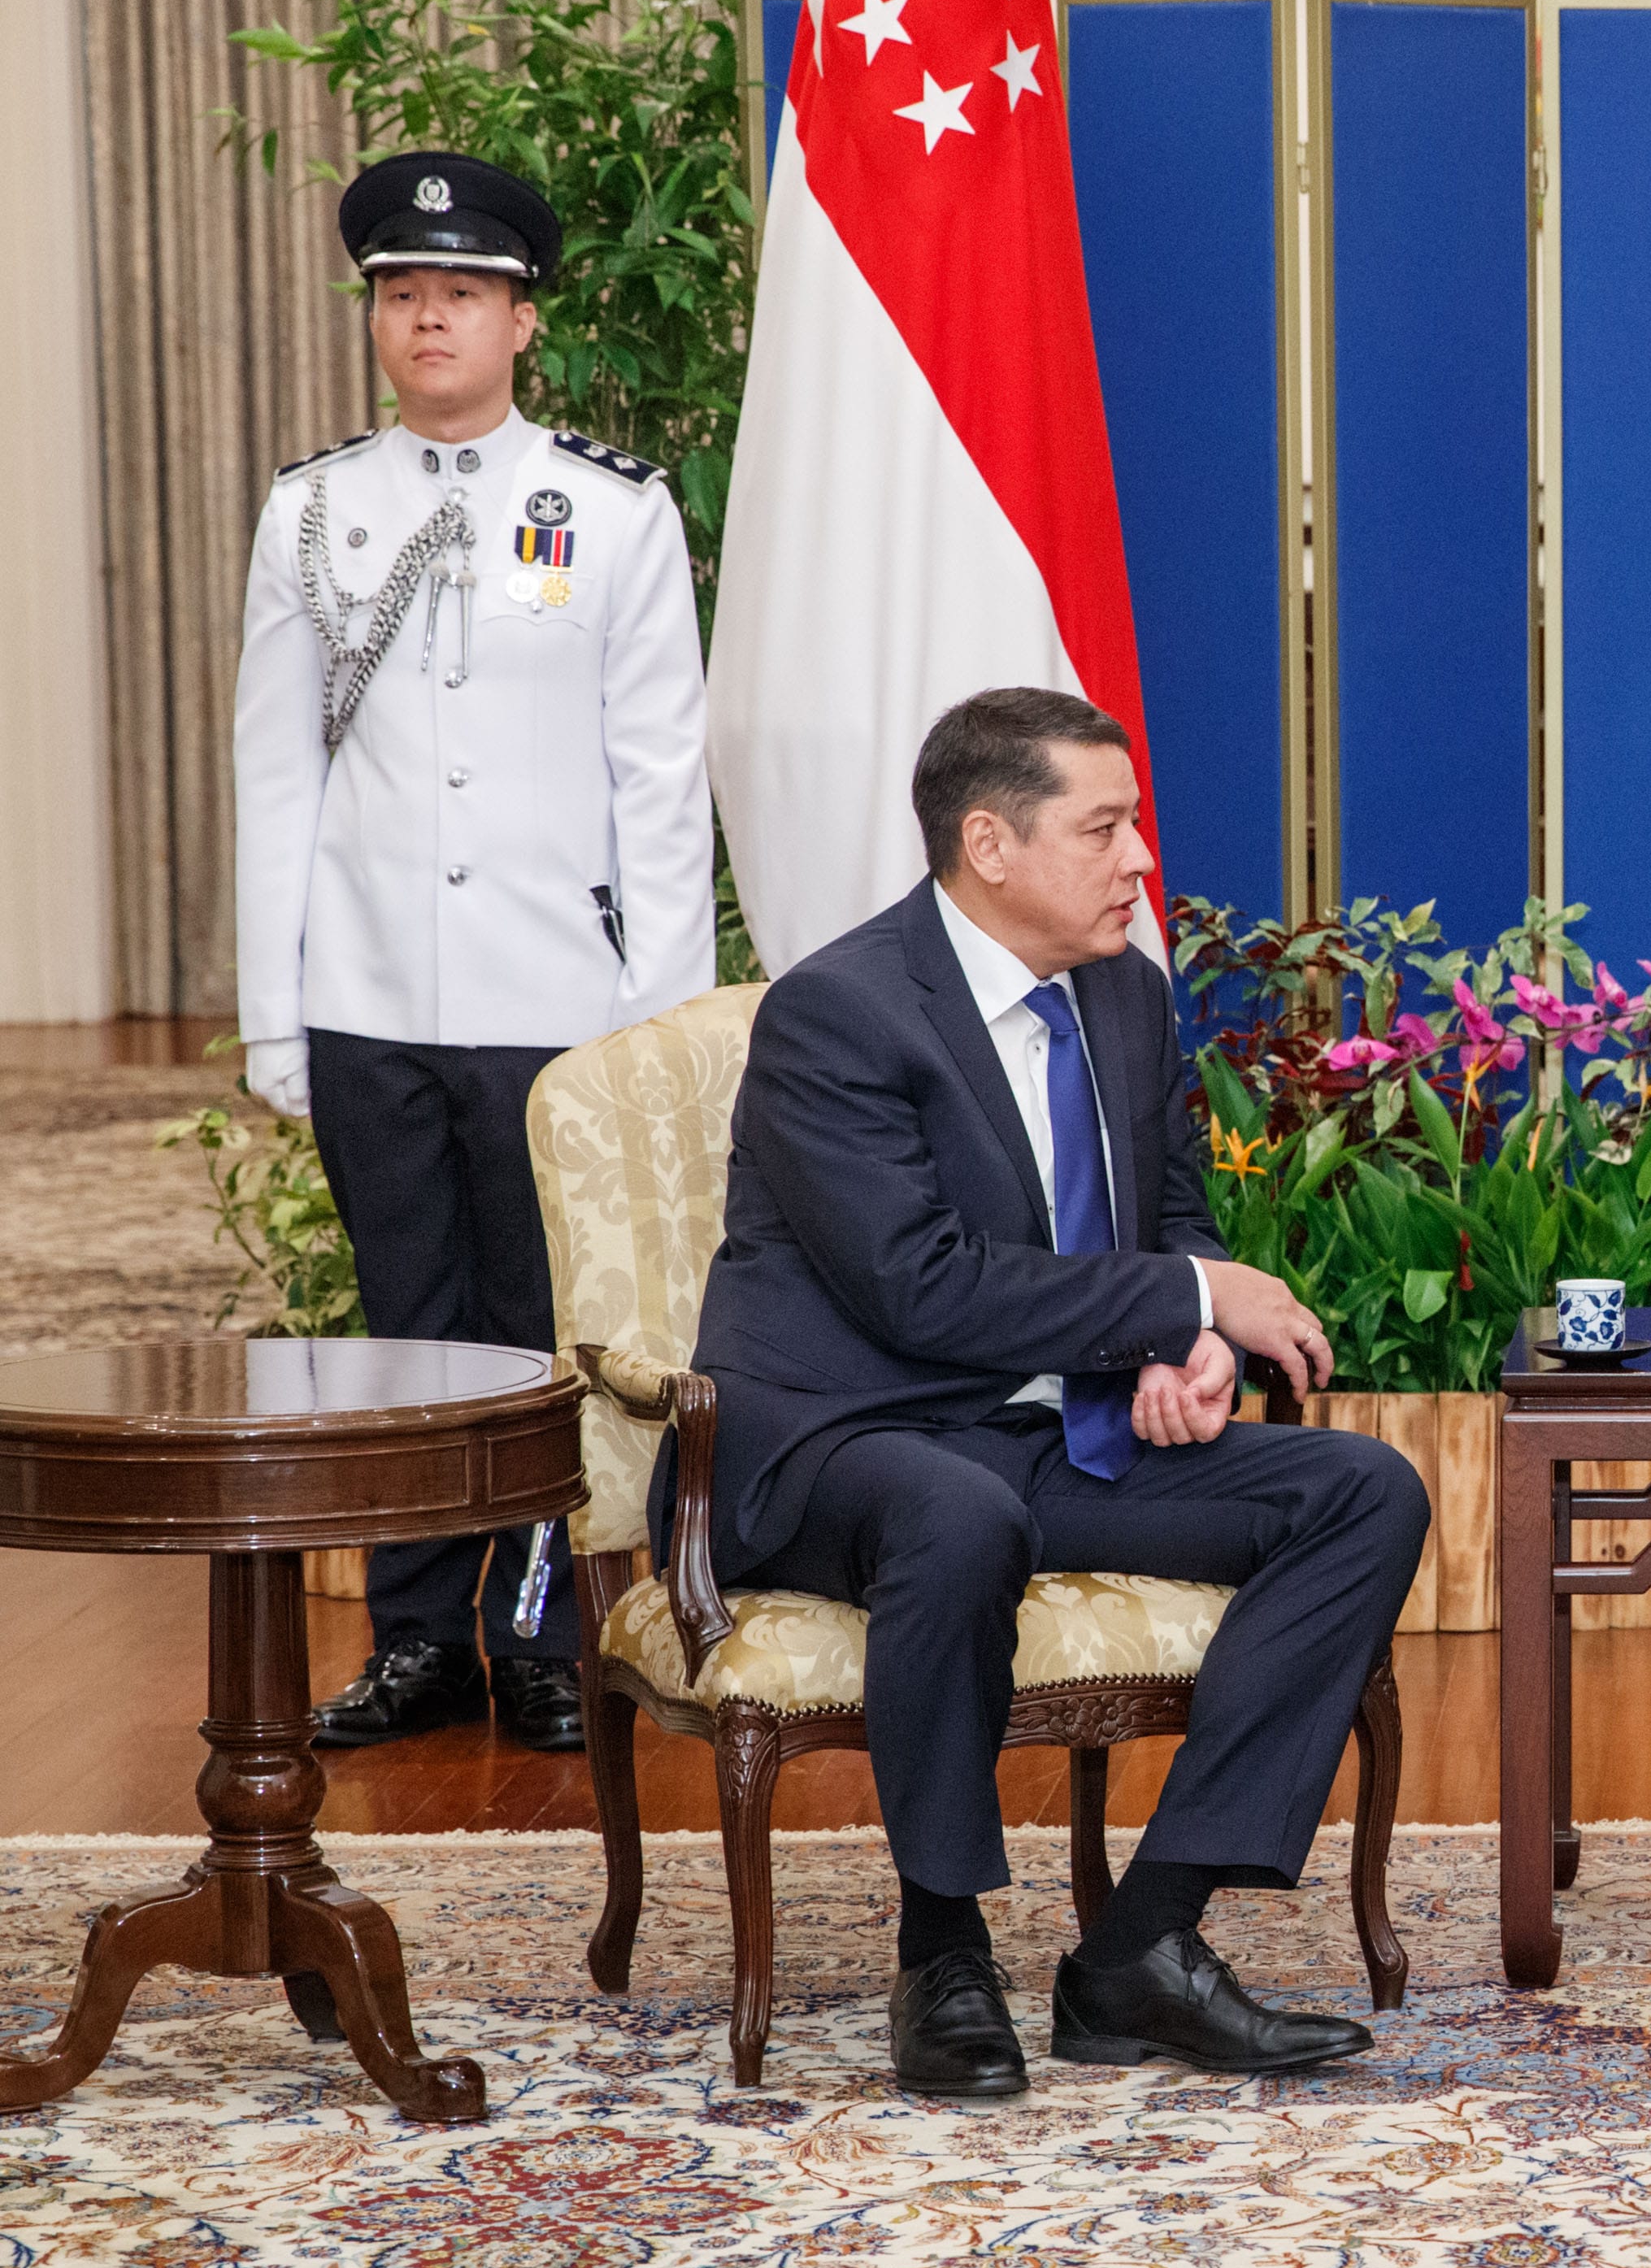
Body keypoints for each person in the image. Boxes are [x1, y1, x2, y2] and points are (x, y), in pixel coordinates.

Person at [667, 686, 1427, 2100]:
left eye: (1135, 826)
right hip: (846, 1437)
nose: (1140, 860)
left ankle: (1142, 1944)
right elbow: (920, 1290)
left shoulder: (1126, 993)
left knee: (1361, 1492)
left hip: (1047, 1433)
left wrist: (1188, 1344)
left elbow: (1174, 1217)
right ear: (989, 844)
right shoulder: (840, 1013)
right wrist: (1191, 1299)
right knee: (954, 1514)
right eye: (1105, 828)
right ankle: (942, 1949)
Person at [234, 151, 715, 1754]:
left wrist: (651, 1021)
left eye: (459, 292)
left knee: (536, 1332)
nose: (426, 317)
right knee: (401, 1329)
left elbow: (661, 779)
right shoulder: (314, 509)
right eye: (400, 292)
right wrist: (277, 1010)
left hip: (553, 1000)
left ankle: (543, 1639)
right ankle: (419, 1641)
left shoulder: (614, 509)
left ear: (522, 320)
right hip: (369, 994)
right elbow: (275, 771)